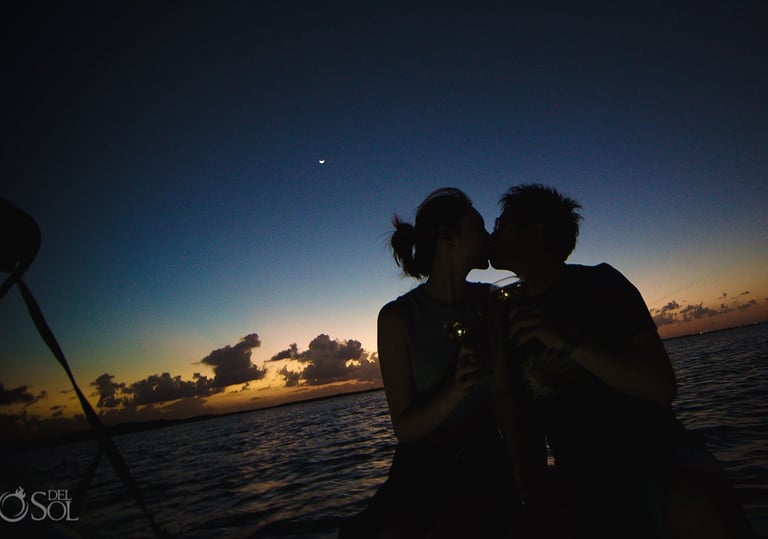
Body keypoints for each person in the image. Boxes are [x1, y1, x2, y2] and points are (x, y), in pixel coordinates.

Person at [489, 183, 755, 538]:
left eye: (502, 223)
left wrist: (569, 343)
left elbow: (661, 387)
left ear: (534, 232)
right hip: (581, 480)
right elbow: (519, 415)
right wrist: (531, 487)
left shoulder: (602, 284)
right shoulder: (505, 314)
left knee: (694, 506)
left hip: (657, 458)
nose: (494, 233)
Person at [338, 187, 519, 539]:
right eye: (478, 227)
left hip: (487, 466)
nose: (488, 236)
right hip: (422, 476)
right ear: (446, 238)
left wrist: (525, 475)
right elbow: (406, 429)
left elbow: (505, 395)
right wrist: (458, 386)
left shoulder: (493, 300)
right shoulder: (397, 318)